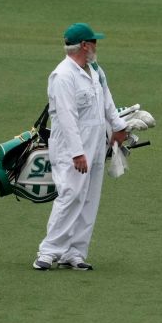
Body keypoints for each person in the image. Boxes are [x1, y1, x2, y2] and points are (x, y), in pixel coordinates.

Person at [32, 23, 129, 271]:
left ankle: (74, 252)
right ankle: (49, 251)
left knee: (89, 198)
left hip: (96, 144)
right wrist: (77, 152)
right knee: (70, 195)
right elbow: (66, 117)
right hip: (71, 147)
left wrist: (119, 128)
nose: (97, 46)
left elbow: (107, 100)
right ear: (84, 46)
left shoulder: (95, 70)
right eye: (94, 42)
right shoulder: (62, 76)